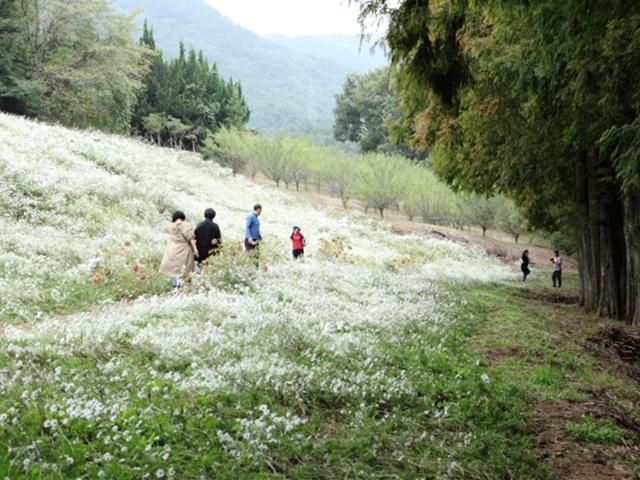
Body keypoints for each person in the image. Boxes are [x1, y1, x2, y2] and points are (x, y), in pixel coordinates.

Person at [159, 211, 198, 288]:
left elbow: (165, 230)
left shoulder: (170, 226)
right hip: (184, 249)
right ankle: (181, 287)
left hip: (173, 249)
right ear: (183, 217)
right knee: (184, 268)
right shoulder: (187, 225)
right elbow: (191, 239)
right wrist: (195, 249)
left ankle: (175, 286)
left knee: (174, 269)